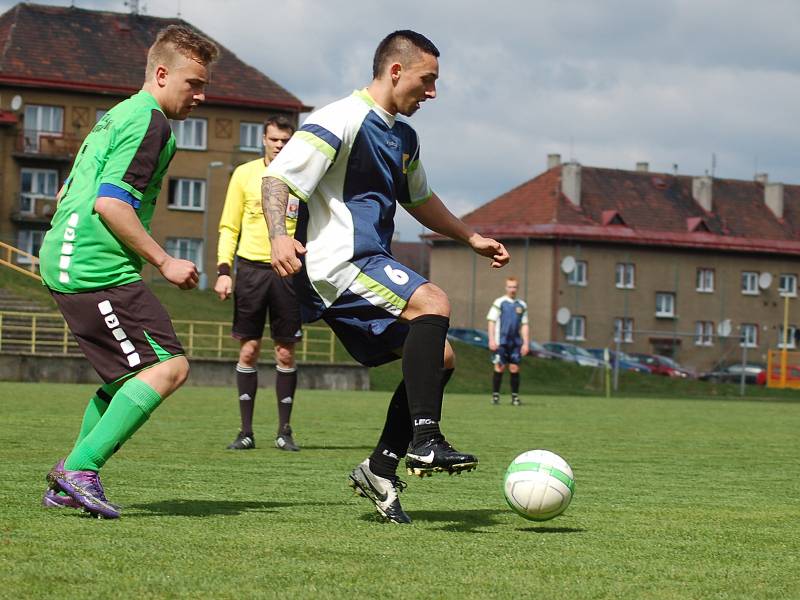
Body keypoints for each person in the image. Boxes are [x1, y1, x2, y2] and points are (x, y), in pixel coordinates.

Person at [262, 30, 509, 524]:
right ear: (396, 71)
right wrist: (277, 236)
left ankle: (380, 467)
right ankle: (425, 439)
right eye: (428, 79)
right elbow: (278, 177)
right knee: (433, 300)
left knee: (440, 358)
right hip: (339, 263)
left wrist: (470, 237)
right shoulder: (340, 118)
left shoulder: (405, 137)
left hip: (365, 263)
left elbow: (419, 200)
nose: (432, 92)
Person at [38, 25, 219, 518]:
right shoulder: (152, 123)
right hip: (97, 267)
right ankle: (79, 470)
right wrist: (165, 260)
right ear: (161, 74)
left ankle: (67, 479)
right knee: (169, 367)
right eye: (193, 84)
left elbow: (65, 195)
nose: (202, 96)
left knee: (126, 378)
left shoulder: (115, 116)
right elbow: (111, 203)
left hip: (68, 259)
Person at [215, 116, 303, 452]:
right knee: (249, 350)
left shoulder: (301, 178)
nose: (280, 145)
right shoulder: (244, 174)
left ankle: (284, 431)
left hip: (288, 272)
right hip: (250, 271)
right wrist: (224, 269)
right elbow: (229, 226)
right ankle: (246, 432)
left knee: (284, 350)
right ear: (263, 140)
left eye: (285, 140)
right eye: (274, 139)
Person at [487, 277, 529, 406]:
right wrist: (492, 339)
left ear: (517, 288)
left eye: (514, 287)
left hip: (515, 343)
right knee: (499, 366)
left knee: (514, 368)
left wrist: (526, 343)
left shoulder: (521, 305)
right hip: (502, 341)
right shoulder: (500, 302)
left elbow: (524, 325)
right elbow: (491, 321)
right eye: (510, 287)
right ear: (506, 288)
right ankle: (495, 396)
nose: (512, 289)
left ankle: (515, 398)